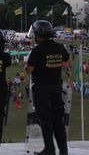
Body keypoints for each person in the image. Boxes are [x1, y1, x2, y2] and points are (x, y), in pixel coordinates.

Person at [26, 20, 70, 155]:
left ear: (37, 34)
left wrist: (27, 66)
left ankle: (49, 149)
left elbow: (29, 70)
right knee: (58, 120)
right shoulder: (59, 47)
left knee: (46, 120)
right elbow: (67, 62)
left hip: (42, 89)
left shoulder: (37, 50)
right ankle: (63, 150)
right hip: (56, 86)